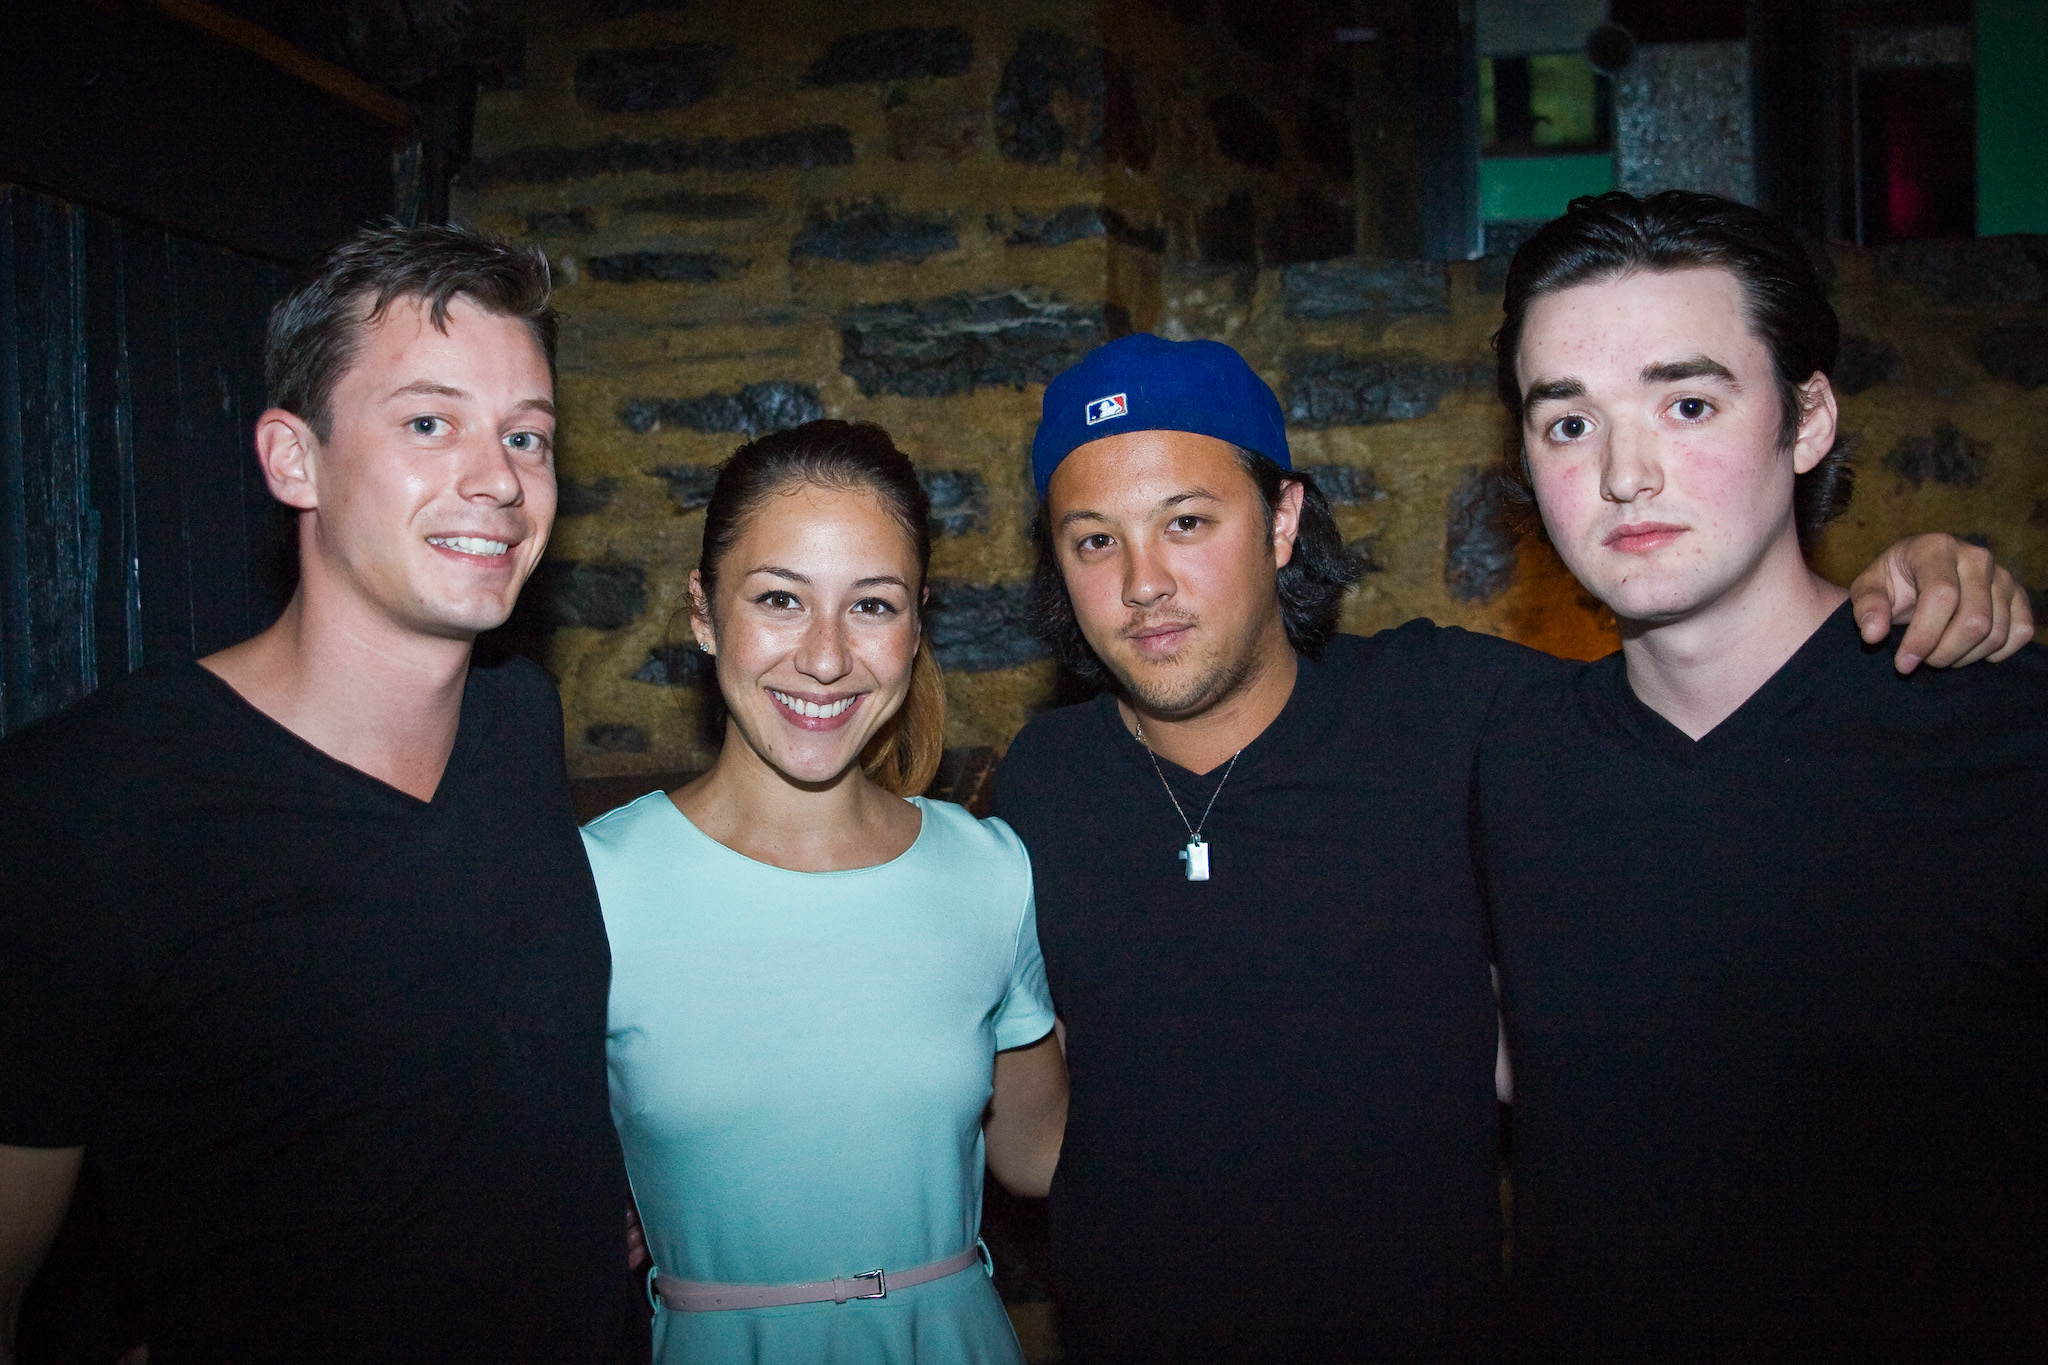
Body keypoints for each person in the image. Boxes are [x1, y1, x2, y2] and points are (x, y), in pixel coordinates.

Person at [989, 332, 2031, 1363]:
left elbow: (1714, 705)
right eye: (1093, 541)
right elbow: (1038, 1125)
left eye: (1185, 522)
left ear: (1281, 522)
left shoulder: (1457, 714)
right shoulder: (1039, 784)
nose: (1141, 583)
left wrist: (1914, 579)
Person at [0, 224, 641, 1363]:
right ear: (293, 459)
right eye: (428, 423)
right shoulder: (86, 808)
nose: (496, 480)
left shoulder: (515, 722)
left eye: (527, 437)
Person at [1475, 189, 2046, 1362]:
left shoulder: (2001, 737)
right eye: (1567, 423)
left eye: (1685, 403)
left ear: (1804, 419)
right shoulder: (1506, 757)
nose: (1625, 473)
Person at [581, 419, 1068, 1365]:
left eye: (873, 606)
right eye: (779, 599)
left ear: (918, 623)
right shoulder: (595, 885)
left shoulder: (991, 874)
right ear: (703, 611)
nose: (826, 656)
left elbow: (1040, 1154)